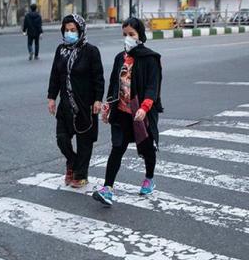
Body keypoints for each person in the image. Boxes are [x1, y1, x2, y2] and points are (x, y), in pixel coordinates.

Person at [93, 17, 163, 207]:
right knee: (117, 148)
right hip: (122, 113)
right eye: (125, 35)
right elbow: (114, 85)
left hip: (142, 113)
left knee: (147, 148)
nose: (128, 38)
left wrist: (144, 107)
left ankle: (149, 178)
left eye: (131, 34)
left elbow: (152, 87)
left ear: (140, 36)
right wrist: (108, 106)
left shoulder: (150, 58)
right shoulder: (120, 58)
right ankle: (107, 188)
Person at [48, 14, 104, 188]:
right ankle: (72, 162)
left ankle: (80, 174)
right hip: (65, 104)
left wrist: (97, 100)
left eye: (73, 30)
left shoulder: (91, 51)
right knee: (61, 139)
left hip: (85, 104)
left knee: (84, 141)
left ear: (80, 31)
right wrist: (51, 97)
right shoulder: (61, 50)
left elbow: (98, 78)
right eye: (66, 30)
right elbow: (55, 75)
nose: (69, 33)